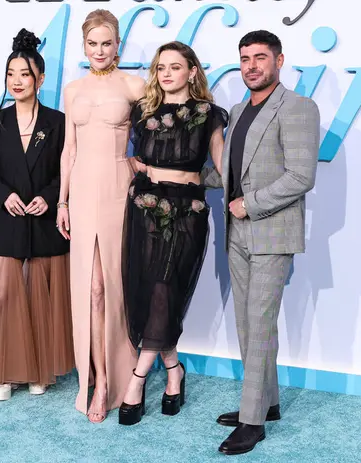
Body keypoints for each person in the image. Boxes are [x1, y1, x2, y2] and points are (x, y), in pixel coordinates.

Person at [206, 31, 320, 455]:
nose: (251, 66)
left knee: (260, 322)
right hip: (235, 232)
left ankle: (252, 422)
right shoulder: (237, 110)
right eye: (245, 59)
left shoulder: (299, 108)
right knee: (246, 323)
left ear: (279, 61)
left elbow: (301, 175)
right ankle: (266, 403)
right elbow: (228, 173)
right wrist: (179, 176)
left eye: (260, 58)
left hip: (271, 230)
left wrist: (248, 204)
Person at [118, 41, 227, 425]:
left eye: (175, 67)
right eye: (161, 67)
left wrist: (251, 199)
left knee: (166, 289)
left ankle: (137, 379)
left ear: (192, 71)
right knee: (149, 291)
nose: (166, 73)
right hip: (145, 207)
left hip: (187, 211)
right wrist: (139, 166)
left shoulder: (209, 115)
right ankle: (174, 371)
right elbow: (129, 155)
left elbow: (223, 165)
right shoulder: (143, 111)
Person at [0, 29, 74, 400]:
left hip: (44, 221)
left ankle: (38, 370)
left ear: (40, 79)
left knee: (40, 297)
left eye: (25, 74)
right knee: (3, 296)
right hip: (7, 219)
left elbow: (66, 169)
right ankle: (4, 372)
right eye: (11, 74)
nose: (17, 81)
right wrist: (3, 196)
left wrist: (50, 198)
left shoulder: (59, 122)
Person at [56, 9, 145, 423]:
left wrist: (135, 166)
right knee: (89, 289)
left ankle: (114, 375)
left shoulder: (134, 85)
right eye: (93, 44)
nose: (100, 51)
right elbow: (68, 150)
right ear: (84, 46)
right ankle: (96, 379)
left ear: (118, 45)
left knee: (113, 285)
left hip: (115, 191)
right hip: (82, 191)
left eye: (107, 43)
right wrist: (62, 201)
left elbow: (156, 136)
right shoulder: (72, 90)